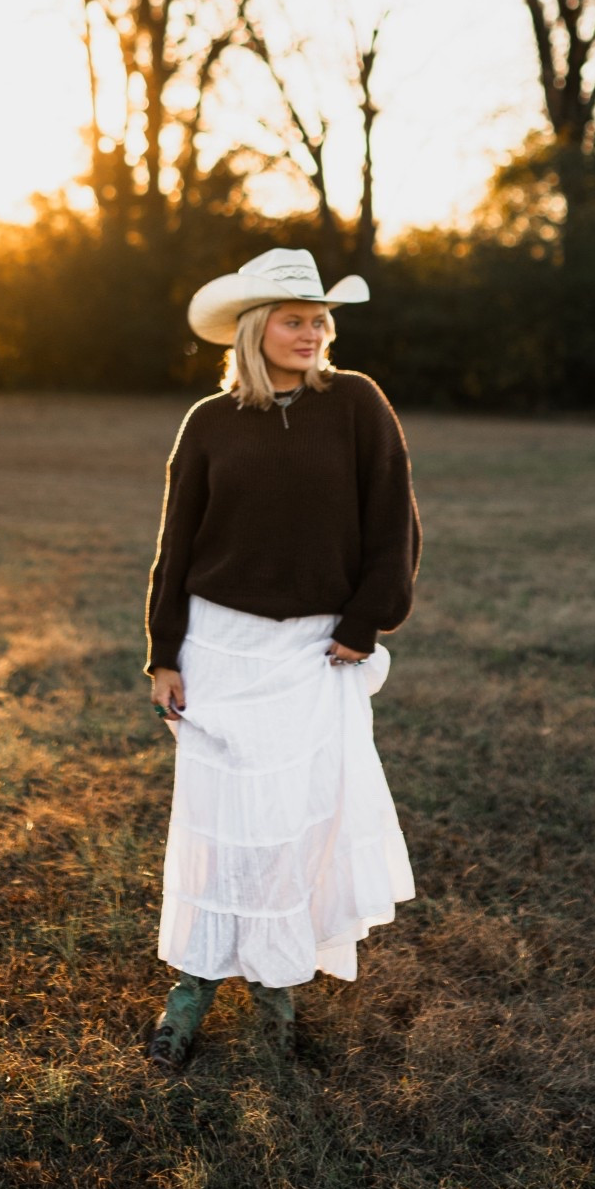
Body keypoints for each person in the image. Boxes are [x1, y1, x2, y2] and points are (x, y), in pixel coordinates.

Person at [143, 247, 420, 1072]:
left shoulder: (358, 404)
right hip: (220, 648)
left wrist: (367, 621)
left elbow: (393, 524)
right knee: (220, 828)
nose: (311, 332)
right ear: (256, 329)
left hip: (314, 651)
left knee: (292, 827)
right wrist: (164, 654)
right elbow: (176, 544)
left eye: (319, 319)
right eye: (294, 319)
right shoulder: (209, 422)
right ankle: (192, 989)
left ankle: (276, 990)